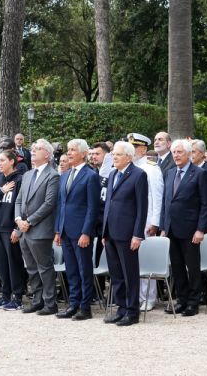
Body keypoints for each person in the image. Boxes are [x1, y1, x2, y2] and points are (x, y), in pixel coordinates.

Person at [159, 139, 207, 317]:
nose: (176, 155)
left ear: (189, 154)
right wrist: (163, 226)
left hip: (190, 229)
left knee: (193, 267)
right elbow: (166, 201)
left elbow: (206, 204)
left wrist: (200, 229)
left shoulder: (199, 174)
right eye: (174, 152)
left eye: (180, 152)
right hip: (171, 229)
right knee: (177, 267)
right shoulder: (170, 173)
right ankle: (181, 299)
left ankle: (193, 302)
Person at [102, 141, 148, 326]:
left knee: (130, 274)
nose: (114, 157)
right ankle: (121, 309)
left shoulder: (139, 175)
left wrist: (137, 234)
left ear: (129, 157)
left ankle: (132, 311)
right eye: (113, 154)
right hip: (111, 232)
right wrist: (104, 231)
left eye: (118, 154)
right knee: (116, 274)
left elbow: (142, 208)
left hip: (128, 234)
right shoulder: (113, 174)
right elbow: (109, 204)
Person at [54, 139, 100, 320]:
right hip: (65, 230)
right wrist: (58, 230)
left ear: (83, 154)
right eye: (68, 149)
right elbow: (61, 204)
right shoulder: (65, 175)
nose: (69, 153)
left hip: (81, 232)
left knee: (84, 270)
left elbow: (93, 207)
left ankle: (85, 307)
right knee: (71, 270)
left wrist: (86, 232)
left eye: (73, 150)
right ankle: (73, 304)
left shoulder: (91, 175)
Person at [14, 138, 60, 316]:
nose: (33, 150)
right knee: (31, 268)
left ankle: (50, 303)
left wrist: (29, 221)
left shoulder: (53, 175)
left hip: (39, 229)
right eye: (32, 148)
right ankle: (37, 300)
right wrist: (19, 220)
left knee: (44, 267)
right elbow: (18, 200)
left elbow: (49, 203)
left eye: (38, 148)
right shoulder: (27, 175)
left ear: (47, 154)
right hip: (23, 229)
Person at [127, 133, 163, 311]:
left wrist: (155, 222)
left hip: (146, 221)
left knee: (146, 260)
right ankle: (136, 296)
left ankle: (148, 297)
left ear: (142, 149)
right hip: (130, 221)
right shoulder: (129, 168)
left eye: (134, 147)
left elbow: (157, 197)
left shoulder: (151, 168)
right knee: (133, 261)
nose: (131, 150)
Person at [0, 150, 25, 311]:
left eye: (2, 160)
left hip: (10, 228)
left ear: (12, 161)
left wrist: (17, 228)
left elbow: (23, 205)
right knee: (1, 264)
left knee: (13, 263)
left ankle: (18, 297)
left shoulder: (20, 179)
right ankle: (6, 295)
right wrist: (1, 191)